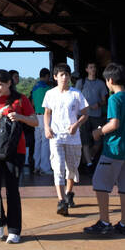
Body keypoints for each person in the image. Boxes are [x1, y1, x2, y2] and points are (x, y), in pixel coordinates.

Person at [0, 69, 37, 243]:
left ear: (9, 83)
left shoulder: (21, 99)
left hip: (15, 150)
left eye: (0, 85)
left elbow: (35, 121)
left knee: (12, 190)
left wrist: (19, 116)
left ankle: (14, 229)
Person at [85, 63, 125, 235]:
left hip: (114, 149)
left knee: (99, 184)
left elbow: (114, 123)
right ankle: (124, 223)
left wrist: (98, 131)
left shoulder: (114, 99)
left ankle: (104, 221)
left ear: (109, 80)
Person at [42, 63, 89, 216]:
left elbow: (85, 113)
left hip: (73, 137)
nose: (64, 77)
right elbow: (47, 112)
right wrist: (47, 128)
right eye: (61, 75)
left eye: (67, 75)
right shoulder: (50, 94)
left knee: (72, 167)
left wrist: (76, 124)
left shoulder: (76, 94)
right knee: (58, 166)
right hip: (56, 136)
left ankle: (69, 193)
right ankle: (61, 201)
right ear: (55, 77)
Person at [75, 62, 109, 169]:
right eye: (90, 67)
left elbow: (105, 100)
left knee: (98, 141)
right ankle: (89, 164)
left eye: (94, 67)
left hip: (96, 116)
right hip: (83, 116)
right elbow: (75, 99)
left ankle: (89, 158)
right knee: (84, 141)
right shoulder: (81, 82)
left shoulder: (101, 83)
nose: (93, 69)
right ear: (86, 70)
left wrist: (98, 104)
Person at [29, 68, 54, 175]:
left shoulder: (34, 88)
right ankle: (45, 168)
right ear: (47, 76)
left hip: (36, 116)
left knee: (38, 142)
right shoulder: (49, 89)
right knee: (46, 142)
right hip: (46, 116)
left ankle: (36, 166)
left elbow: (33, 104)